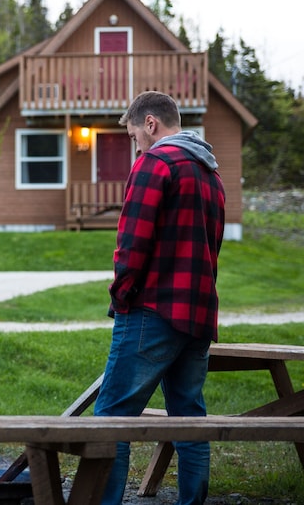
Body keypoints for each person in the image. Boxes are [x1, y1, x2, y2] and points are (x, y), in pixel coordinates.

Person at [94, 91, 225, 505]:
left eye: (134, 135)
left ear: (150, 124)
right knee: (190, 420)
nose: (136, 144)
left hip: (154, 309)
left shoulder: (156, 163)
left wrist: (121, 296)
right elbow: (213, 246)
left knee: (111, 421)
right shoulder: (210, 172)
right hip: (198, 314)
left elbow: (131, 242)